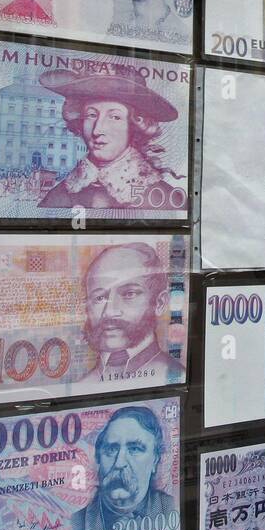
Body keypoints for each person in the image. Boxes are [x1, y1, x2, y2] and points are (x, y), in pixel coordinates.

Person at [38, 66, 184, 211]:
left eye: (114, 117)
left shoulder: (164, 198)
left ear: (134, 125)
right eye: (91, 115)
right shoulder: (58, 196)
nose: (97, 130)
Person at [77, 243, 185, 385]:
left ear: (160, 303)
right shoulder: (82, 385)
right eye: (99, 298)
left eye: (129, 294)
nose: (109, 311)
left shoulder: (178, 377)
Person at [72, 405, 177, 530]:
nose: (119, 463)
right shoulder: (76, 524)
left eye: (134, 449)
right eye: (111, 449)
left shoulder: (172, 508)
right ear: (98, 459)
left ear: (155, 461)